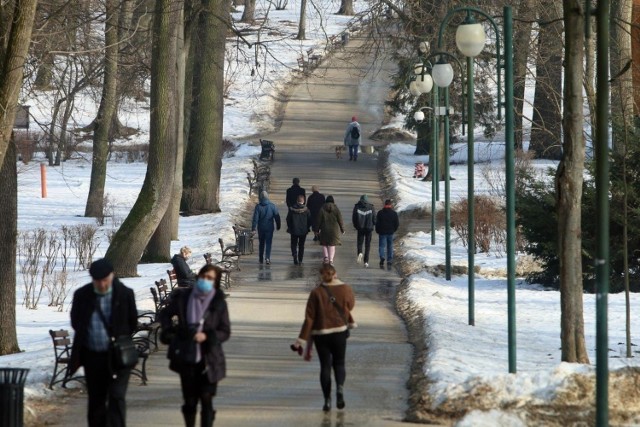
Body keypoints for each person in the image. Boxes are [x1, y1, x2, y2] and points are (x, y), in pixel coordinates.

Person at [69, 259, 138, 427]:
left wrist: (118, 337)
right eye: (97, 280)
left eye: (105, 280)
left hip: (118, 355)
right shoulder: (82, 295)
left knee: (116, 396)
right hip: (93, 356)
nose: (101, 284)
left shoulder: (124, 294)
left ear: (112, 275)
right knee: (97, 399)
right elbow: (76, 321)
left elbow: (132, 322)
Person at [160, 264, 231, 427]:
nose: (205, 280)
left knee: (206, 399)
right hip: (186, 355)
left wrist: (207, 336)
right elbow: (165, 314)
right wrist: (169, 331)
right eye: (203, 277)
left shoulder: (218, 303)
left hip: (210, 358)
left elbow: (225, 331)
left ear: (215, 282)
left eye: (210, 278)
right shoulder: (184, 297)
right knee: (190, 400)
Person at [292, 264, 356, 412]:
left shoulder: (316, 293)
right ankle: (339, 389)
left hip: (321, 334)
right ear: (335, 274)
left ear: (322, 276)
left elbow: (309, 318)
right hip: (339, 332)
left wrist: (301, 340)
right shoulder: (345, 289)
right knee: (339, 363)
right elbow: (350, 306)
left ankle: (327, 400)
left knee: (325, 367)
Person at [252, 191, 281, 265]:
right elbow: (277, 217)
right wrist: (278, 225)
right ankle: (267, 258)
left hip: (261, 228)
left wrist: (254, 228)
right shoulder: (272, 206)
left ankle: (261, 258)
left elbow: (255, 218)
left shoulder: (258, 207)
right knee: (268, 243)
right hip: (269, 228)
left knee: (261, 243)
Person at [315, 195, 344, 265]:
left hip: (324, 229)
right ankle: (331, 260)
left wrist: (316, 229)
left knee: (324, 243)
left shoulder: (322, 208)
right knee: (332, 245)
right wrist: (342, 229)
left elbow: (318, 220)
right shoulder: (336, 209)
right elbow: (340, 220)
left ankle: (326, 257)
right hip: (334, 230)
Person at [286, 194, 312, 265]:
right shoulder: (306, 210)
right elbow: (310, 220)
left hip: (294, 230)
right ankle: (300, 259)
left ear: (297, 201)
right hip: (303, 231)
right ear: (303, 201)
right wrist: (307, 227)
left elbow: (288, 219)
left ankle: (294, 255)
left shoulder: (291, 209)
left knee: (293, 244)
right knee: (301, 245)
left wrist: (290, 227)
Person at [351, 195, 376, 268]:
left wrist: (356, 226)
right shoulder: (371, 207)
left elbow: (354, 218)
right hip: (369, 228)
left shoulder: (357, 206)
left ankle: (360, 253)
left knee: (360, 243)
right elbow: (374, 218)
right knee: (367, 245)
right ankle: (366, 261)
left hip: (360, 228)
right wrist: (373, 224)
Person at [375, 199, 400, 269]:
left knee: (381, 246)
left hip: (382, 232)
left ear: (384, 204)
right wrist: (393, 230)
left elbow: (377, 223)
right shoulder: (394, 213)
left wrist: (378, 230)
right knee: (390, 247)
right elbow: (397, 224)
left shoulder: (380, 213)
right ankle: (389, 260)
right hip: (390, 232)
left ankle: (382, 257)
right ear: (390, 205)